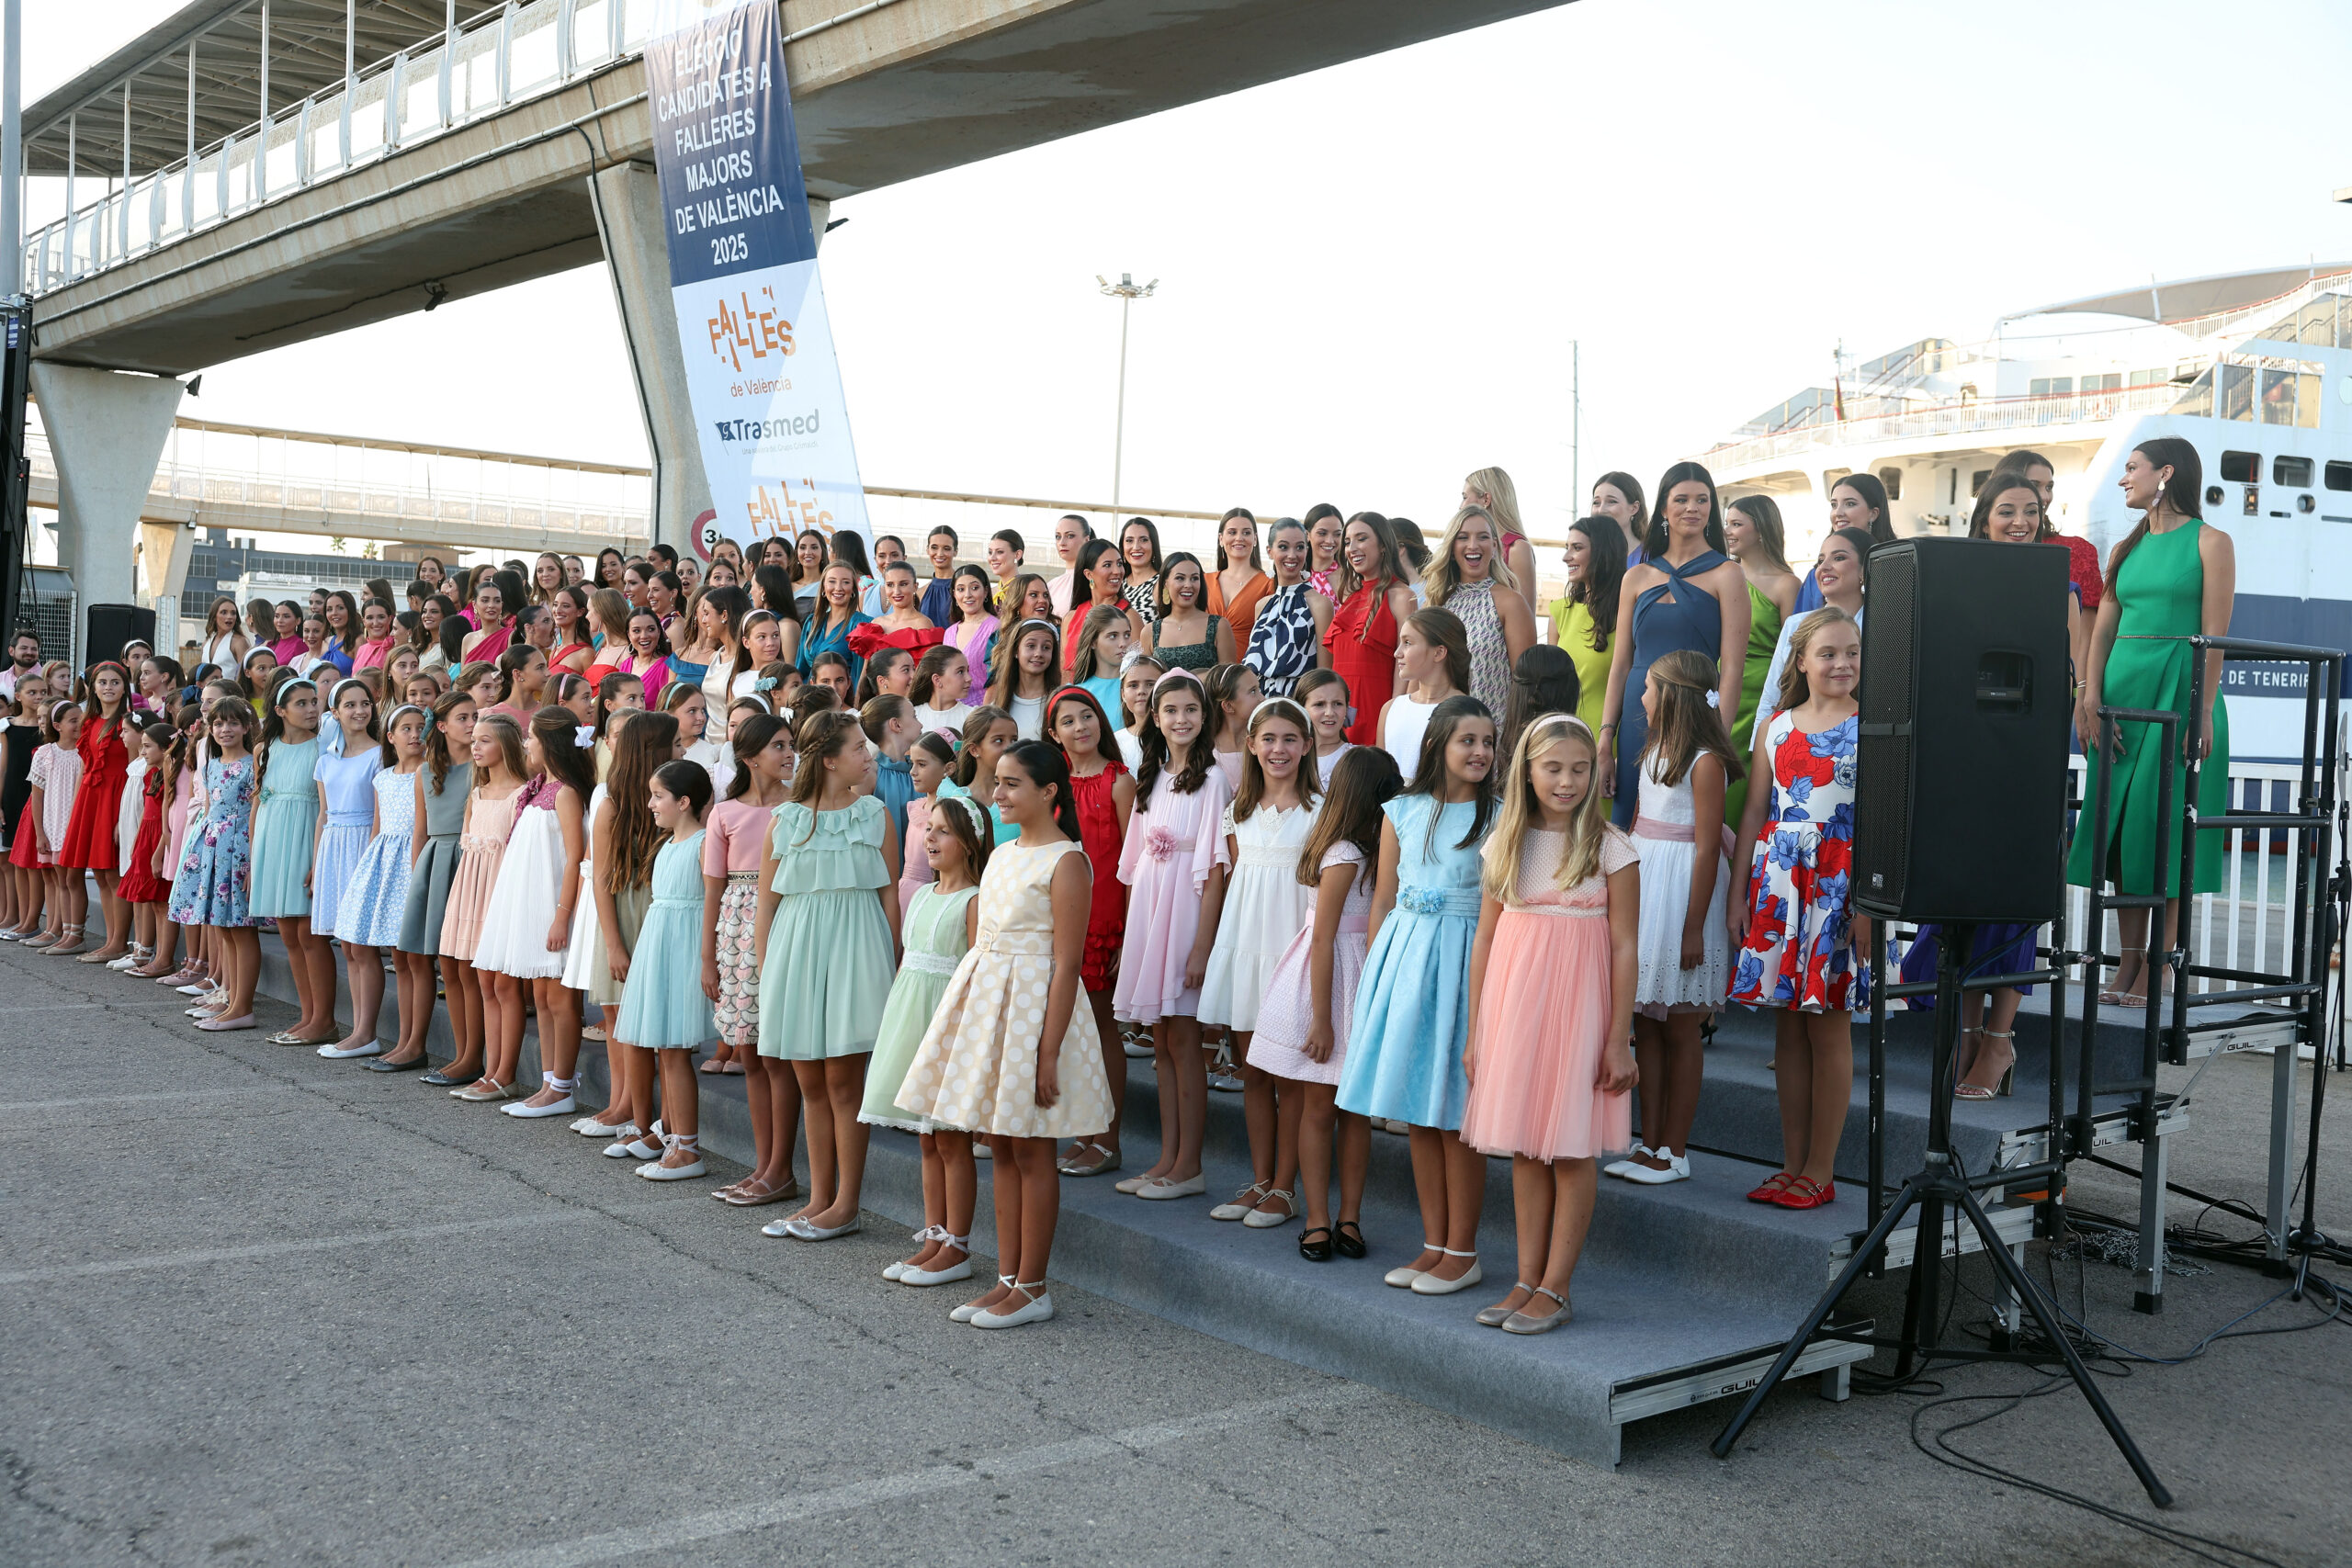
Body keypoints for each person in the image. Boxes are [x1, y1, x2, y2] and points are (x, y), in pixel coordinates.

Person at [892, 739, 1115, 1328]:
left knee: (1033, 1148)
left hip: (1036, 1011)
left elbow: (1066, 964)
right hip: (991, 1002)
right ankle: (1006, 1277)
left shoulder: (1066, 861)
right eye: (998, 782)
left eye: (1013, 783)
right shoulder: (1003, 854)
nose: (999, 793)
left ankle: (1034, 1286)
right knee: (1004, 1146)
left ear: (1048, 792)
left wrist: (1047, 1052)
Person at [1460, 713, 1640, 1330]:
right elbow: (1484, 939)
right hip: (1516, 1006)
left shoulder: (1611, 846)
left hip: (1580, 1012)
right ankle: (1525, 1278)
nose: (1567, 781)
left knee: (1567, 1148)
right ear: (1528, 771)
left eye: (1579, 769)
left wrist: (1619, 1037)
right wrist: (1476, 1029)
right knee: (1524, 1149)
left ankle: (1557, 1286)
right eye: (1554, 768)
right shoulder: (1504, 842)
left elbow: (1623, 947)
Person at [1335, 695, 1500, 1295]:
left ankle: (1464, 1249)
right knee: (1419, 1113)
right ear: (1438, 745)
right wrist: (1378, 973)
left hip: (1464, 964)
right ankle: (1434, 1243)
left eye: (1487, 741)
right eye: (1468, 740)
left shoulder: (1500, 815)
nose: (1480, 751)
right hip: (1407, 961)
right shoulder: (1401, 809)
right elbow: (1382, 898)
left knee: (1456, 1114)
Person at [2068, 438, 2233, 1008]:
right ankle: (2128, 963)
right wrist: (2089, 699)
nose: (2123, 480)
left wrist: (2203, 709)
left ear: (2165, 474)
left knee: (2163, 829)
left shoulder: (2212, 543)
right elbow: (2102, 631)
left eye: (2131, 468)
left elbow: (2213, 636)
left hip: (2179, 691)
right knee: (2120, 833)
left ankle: (2158, 967)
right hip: (2122, 693)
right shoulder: (2124, 547)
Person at [1727, 608, 1867, 1210]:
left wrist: (1869, 902)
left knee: (1828, 1028)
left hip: (1840, 885)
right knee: (1788, 1028)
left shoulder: (1875, 726)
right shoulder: (1776, 728)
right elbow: (1756, 812)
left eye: (1853, 652)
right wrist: (1739, 893)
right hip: (1780, 883)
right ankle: (1791, 1163)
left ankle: (1821, 1167)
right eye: (1830, 653)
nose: (1842, 664)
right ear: (1802, 660)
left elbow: (1885, 821)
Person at [755, 710, 901, 1240]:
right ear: (833, 759)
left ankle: (847, 1203)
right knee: (809, 1080)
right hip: (797, 949)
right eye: (861, 747)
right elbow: (767, 906)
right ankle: (819, 1198)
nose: (871, 755)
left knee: (843, 1080)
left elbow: (889, 897)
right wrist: (768, 969)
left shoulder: (875, 814)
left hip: (857, 948)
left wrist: (891, 959)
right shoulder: (786, 819)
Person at [1250, 746, 1399, 1264]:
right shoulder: (1342, 855)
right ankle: (1316, 1216)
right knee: (1318, 1107)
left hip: (1361, 973)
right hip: (1330, 979)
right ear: (1375, 798)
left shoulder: (1381, 852)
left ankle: (1350, 1216)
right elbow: (1324, 939)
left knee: (1354, 1111)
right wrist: (1321, 1018)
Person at [1609, 649, 1739, 1188]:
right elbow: (1639, 820)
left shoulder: (1705, 760)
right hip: (1647, 885)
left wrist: (1693, 927)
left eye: (1649, 688)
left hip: (1685, 890)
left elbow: (1708, 849)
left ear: (1673, 695)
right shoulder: (1655, 747)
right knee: (1646, 1023)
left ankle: (1677, 1151)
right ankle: (1650, 1142)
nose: (1641, 696)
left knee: (1681, 1026)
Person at [1199, 697, 1321, 1231]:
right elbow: (1229, 887)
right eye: (1268, 739)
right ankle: (1259, 1178)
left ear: (1307, 745)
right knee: (1253, 1073)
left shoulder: (1321, 810)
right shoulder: (1237, 811)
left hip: (1291, 954)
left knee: (1288, 1077)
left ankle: (1287, 1187)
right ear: (1250, 745)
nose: (1278, 749)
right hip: (1245, 946)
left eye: (1290, 739)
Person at [1112, 670, 1233, 1200]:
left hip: (1187, 913)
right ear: (1154, 719)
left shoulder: (1214, 781)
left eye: (1191, 710)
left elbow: (1215, 866)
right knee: (1160, 1042)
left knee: (1184, 1041)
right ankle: (1165, 1157)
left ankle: (1190, 1165)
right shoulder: (1152, 776)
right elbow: (1136, 864)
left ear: (1204, 717)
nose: (1181, 719)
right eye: (1171, 711)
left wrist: (1202, 944)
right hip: (1151, 912)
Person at [861, 792, 989, 1286]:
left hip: (948, 1027)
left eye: (944, 831)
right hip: (910, 1022)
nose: (930, 838)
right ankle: (935, 1236)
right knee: (926, 1139)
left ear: (971, 842)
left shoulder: (973, 901)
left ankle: (957, 1247)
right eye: (928, 828)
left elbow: (975, 975)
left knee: (953, 1141)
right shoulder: (919, 895)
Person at [1600, 463, 1748, 828]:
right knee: (1629, 824)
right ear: (1664, 509)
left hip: (1694, 717)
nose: (1692, 508)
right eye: (1681, 499)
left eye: (1702, 500)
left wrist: (1719, 742)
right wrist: (1606, 738)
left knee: (1684, 825)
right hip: (1638, 713)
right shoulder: (1635, 577)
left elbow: (1731, 668)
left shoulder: (1728, 575)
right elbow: (1620, 666)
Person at [610, 759, 718, 1179]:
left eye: (659, 796)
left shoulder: (704, 842)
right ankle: (671, 1137)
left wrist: (707, 960)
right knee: (664, 1049)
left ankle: (687, 1149)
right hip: (661, 943)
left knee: (674, 1051)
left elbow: (711, 901)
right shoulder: (669, 844)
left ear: (685, 801)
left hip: (685, 947)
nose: (651, 804)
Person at [1043, 685, 1134, 1177]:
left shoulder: (1119, 780)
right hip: (1061, 917)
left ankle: (1109, 1138)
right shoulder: (1052, 785)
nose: (1081, 728)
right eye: (1069, 722)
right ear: (1054, 734)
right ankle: (1083, 1132)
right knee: (1074, 1029)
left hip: (1105, 919)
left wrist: (1126, 932)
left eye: (1088, 717)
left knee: (1101, 1029)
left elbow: (1131, 862)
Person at [323, 702, 427, 1061]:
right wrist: (365, 870)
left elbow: (421, 831)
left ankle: (409, 1043)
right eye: (407, 729)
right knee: (356, 942)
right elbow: (378, 830)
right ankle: (366, 1033)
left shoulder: (427, 774)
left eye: (420, 727)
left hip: (410, 864)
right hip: (380, 862)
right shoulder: (382, 777)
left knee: (405, 956)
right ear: (391, 737)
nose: (415, 734)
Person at [434, 712, 526, 1089]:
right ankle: (488, 1070)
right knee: (482, 983)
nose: (476, 746)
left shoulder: (523, 794)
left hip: (500, 895)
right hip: (469, 891)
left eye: (485, 740)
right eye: (475, 740)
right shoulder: (476, 793)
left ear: (506, 745)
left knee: (504, 986)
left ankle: (505, 1072)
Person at [388, 693, 475, 1075]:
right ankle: (459, 1054)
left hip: (471, 860)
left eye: (475, 717)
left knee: (465, 965)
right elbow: (420, 830)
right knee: (445, 964)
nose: (472, 724)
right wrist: (415, 881)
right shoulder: (426, 771)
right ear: (441, 726)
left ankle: (473, 1056)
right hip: (434, 863)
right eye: (463, 718)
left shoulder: (482, 766)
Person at [703, 713, 791, 1091]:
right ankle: (767, 1152)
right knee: (752, 1048)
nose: (790, 753)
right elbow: (712, 890)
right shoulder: (724, 812)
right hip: (738, 931)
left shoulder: (799, 806)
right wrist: (708, 958)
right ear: (751, 758)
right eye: (779, 746)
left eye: (791, 745)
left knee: (785, 1041)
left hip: (790, 917)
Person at [250, 678, 335, 1043]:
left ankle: (324, 1019)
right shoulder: (264, 748)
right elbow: (258, 801)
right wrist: (255, 854)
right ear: (280, 711)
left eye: (314, 701)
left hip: (306, 839)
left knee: (309, 933)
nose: (312, 708)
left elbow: (325, 808)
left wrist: (319, 860)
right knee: (287, 932)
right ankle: (306, 1015)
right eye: (301, 703)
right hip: (273, 841)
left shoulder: (324, 748)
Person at [170, 697, 262, 1031]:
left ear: (246, 727)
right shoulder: (210, 764)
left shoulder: (254, 763)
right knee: (222, 928)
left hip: (239, 847)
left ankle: (243, 1006)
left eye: (233, 723)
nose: (226, 730)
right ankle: (229, 998)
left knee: (241, 928)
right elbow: (209, 810)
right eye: (219, 724)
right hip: (211, 846)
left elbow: (255, 813)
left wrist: (252, 860)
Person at [1720, 494, 1799, 828]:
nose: (1727, 531)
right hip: (1719, 691)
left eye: (1736, 524)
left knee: (1746, 789)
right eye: (1727, 523)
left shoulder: (1787, 584)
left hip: (1760, 700)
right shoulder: (1722, 576)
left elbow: (1795, 652)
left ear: (1762, 530)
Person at [1424, 504, 1535, 719]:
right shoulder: (1437, 603)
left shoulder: (1511, 603)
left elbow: (1526, 686)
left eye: (1482, 537)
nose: (1473, 545)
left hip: (1492, 737)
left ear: (1495, 547)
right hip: (1439, 734)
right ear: (1452, 548)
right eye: (1463, 537)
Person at [1757, 527, 1871, 739]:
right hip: (1801, 739)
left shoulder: (1885, 625)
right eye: (1820, 561)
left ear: (1865, 570)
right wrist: (1762, 754)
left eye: (1838, 558)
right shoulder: (1797, 624)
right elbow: (1772, 697)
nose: (1824, 567)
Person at [58, 661, 134, 961]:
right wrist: (77, 807)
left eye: (115, 682)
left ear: (124, 687)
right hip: (90, 798)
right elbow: (84, 767)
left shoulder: (127, 721)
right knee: (100, 874)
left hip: (115, 799)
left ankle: (119, 942)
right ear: (93, 687)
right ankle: (111, 941)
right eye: (102, 682)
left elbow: (133, 769)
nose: (108, 687)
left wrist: (123, 817)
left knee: (113, 873)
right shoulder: (89, 721)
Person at [1321, 513, 1419, 746]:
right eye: (1347, 542)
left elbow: (1405, 663)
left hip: (1377, 711)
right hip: (1338, 713)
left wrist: (1395, 713)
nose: (1352, 548)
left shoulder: (1402, 596)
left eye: (1361, 539)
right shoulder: (1350, 596)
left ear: (1384, 545)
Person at [1547, 517, 1623, 737]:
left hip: (1613, 737)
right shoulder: (1559, 612)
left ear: (1603, 551)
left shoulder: (1629, 613)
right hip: (1564, 735)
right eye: (1567, 548)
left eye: (1577, 548)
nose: (1566, 557)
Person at [1244, 517, 1333, 698]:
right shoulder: (1262, 606)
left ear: (1307, 551)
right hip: (1258, 706)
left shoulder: (1320, 604)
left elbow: (1323, 675)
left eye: (1299, 547)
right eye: (1283, 547)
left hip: (1297, 705)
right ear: (1270, 551)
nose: (1292, 555)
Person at [1380, 609, 1469, 787]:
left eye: (1407, 643)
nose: (1397, 653)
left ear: (1439, 653)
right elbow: (1379, 776)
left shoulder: (1467, 713)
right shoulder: (1391, 709)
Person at [1792, 473, 1896, 612]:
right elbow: (1802, 628)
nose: (1838, 513)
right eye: (1834, 505)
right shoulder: (1817, 575)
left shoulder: (1898, 568)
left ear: (1873, 513)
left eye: (1850, 504)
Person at [1462, 467, 1542, 615]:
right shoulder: (1467, 547)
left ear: (1486, 499)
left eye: (1465, 497)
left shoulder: (1517, 548)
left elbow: (1527, 615)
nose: (1461, 506)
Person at [1148, 552, 1233, 673]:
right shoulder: (1150, 631)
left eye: (1194, 578)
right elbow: (1146, 682)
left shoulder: (1219, 626)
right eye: (1180, 578)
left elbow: (1229, 681)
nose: (1188, 585)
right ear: (1165, 583)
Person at [984, 617, 1060, 741]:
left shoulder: (1060, 700)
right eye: (1031, 646)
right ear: (1016, 651)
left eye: (1046, 647)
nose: (1038, 653)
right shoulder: (996, 700)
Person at [1205, 508, 1272, 648]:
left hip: (1248, 666)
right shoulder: (1204, 581)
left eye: (1246, 532)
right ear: (1221, 539)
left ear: (1255, 539)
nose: (1239, 538)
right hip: (1205, 668)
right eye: (1232, 532)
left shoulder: (1268, 584)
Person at [910, 645, 974, 739]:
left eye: (967, 671)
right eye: (960, 672)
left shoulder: (973, 717)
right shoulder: (913, 715)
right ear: (937, 680)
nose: (969, 678)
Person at [1589, 471, 1648, 565]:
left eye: (1612, 502)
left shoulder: (1650, 560)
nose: (1601, 510)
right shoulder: (1587, 556)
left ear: (1634, 508)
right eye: (1596, 503)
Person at [1043, 514, 1092, 616]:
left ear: (1086, 540)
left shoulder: (1094, 580)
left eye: (1070, 536)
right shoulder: (1051, 585)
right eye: (1058, 536)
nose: (1062, 542)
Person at [1120, 517, 1164, 626]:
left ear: (1153, 545)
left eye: (1144, 540)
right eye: (1129, 540)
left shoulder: (1163, 584)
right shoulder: (1118, 583)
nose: (1136, 547)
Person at [917, 525, 961, 625]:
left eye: (946, 548)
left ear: (955, 551)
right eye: (934, 547)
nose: (940, 554)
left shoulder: (964, 589)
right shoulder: (920, 593)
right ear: (927, 549)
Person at [1302, 502, 1345, 601]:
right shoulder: (1295, 575)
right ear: (1307, 535)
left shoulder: (1348, 580)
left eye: (1337, 534)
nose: (1330, 541)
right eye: (1322, 533)